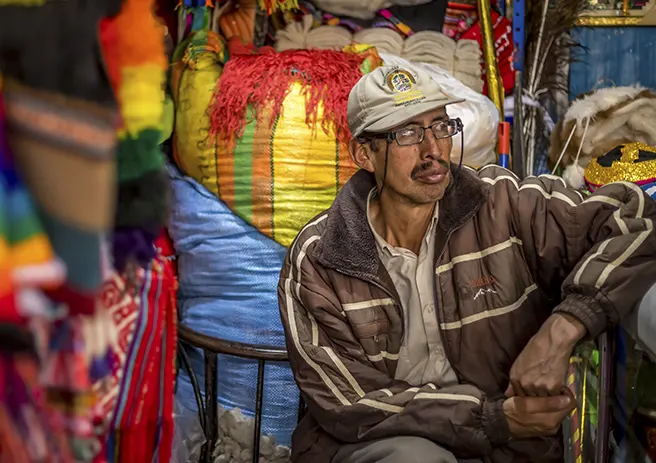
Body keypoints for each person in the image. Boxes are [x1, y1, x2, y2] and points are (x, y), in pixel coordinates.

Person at [277, 63, 656, 463]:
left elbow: (638, 219)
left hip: (508, 447)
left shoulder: (504, 205)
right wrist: (490, 418)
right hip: (378, 445)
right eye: (407, 133)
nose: (433, 150)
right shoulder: (322, 257)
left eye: (441, 126)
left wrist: (562, 328)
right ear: (364, 154)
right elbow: (348, 403)